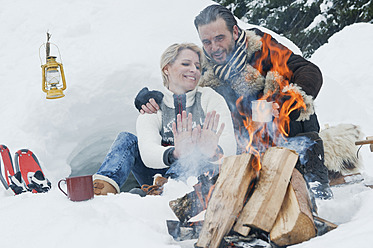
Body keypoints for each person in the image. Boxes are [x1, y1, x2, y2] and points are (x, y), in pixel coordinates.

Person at [135, 5, 333, 199]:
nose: (214, 48)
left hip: (283, 127)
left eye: (219, 38)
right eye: (207, 42)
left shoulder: (261, 47)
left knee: (299, 101)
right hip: (243, 142)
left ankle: (315, 178)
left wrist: (284, 102)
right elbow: (182, 92)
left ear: (235, 32)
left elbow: (307, 71)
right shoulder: (203, 69)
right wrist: (151, 99)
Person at [93, 43, 236, 196]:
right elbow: (147, 151)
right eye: (186, 64)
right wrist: (175, 153)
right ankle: (103, 189)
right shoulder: (153, 104)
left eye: (197, 66)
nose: (194, 70)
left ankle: (169, 188)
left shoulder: (209, 98)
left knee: (193, 151)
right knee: (126, 140)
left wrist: (213, 150)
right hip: (157, 178)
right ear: (166, 69)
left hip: (197, 175)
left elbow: (229, 145)